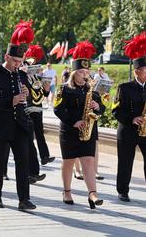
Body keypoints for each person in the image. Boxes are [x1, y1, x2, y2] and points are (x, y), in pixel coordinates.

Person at [0, 36, 36, 210]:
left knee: (23, 162)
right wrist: (10, 101)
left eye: (20, 62)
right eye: (15, 61)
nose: (17, 64)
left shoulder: (21, 75)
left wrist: (26, 93)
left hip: (19, 124)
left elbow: (28, 97)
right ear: (6, 57)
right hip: (0, 126)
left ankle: (24, 199)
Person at [54, 40, 105, 209]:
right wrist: (73, 122)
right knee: (68, 162)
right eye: (81, 72)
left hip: (88, 131)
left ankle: (92, 193)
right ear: (74, 72)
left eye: (87, 71)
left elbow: (102, 109)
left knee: (89, 161)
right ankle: (67, 191)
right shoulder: (64, 89)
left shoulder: (92, 91)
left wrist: (98, 107)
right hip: (69, 131)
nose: (84, 75)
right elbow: (57, 109)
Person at [112, 31, 146, 202]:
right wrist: (132, 119)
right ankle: (123, 190)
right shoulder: (124, 87)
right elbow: (116, 110)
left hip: (145, 130)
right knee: (125, 162)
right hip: (127, 130)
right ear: (137, 71)